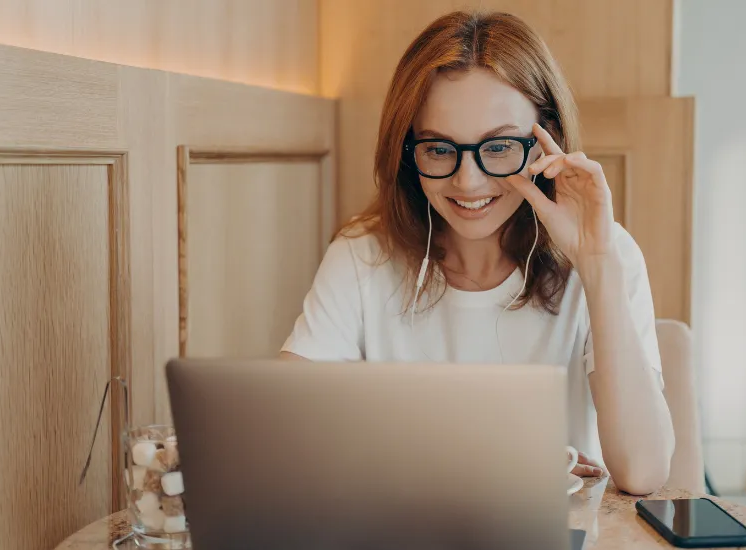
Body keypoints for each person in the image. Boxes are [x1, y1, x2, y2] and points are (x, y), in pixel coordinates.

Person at [280, 10, 674, 495]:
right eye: (440, 149)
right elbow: (284, 438)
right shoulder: (362, 256)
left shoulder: (608, 254)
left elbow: (643, 471)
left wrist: (596, 266)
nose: (468, 182)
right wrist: (500, 463)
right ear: (408, 151)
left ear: (545, 141)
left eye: (499, 146)